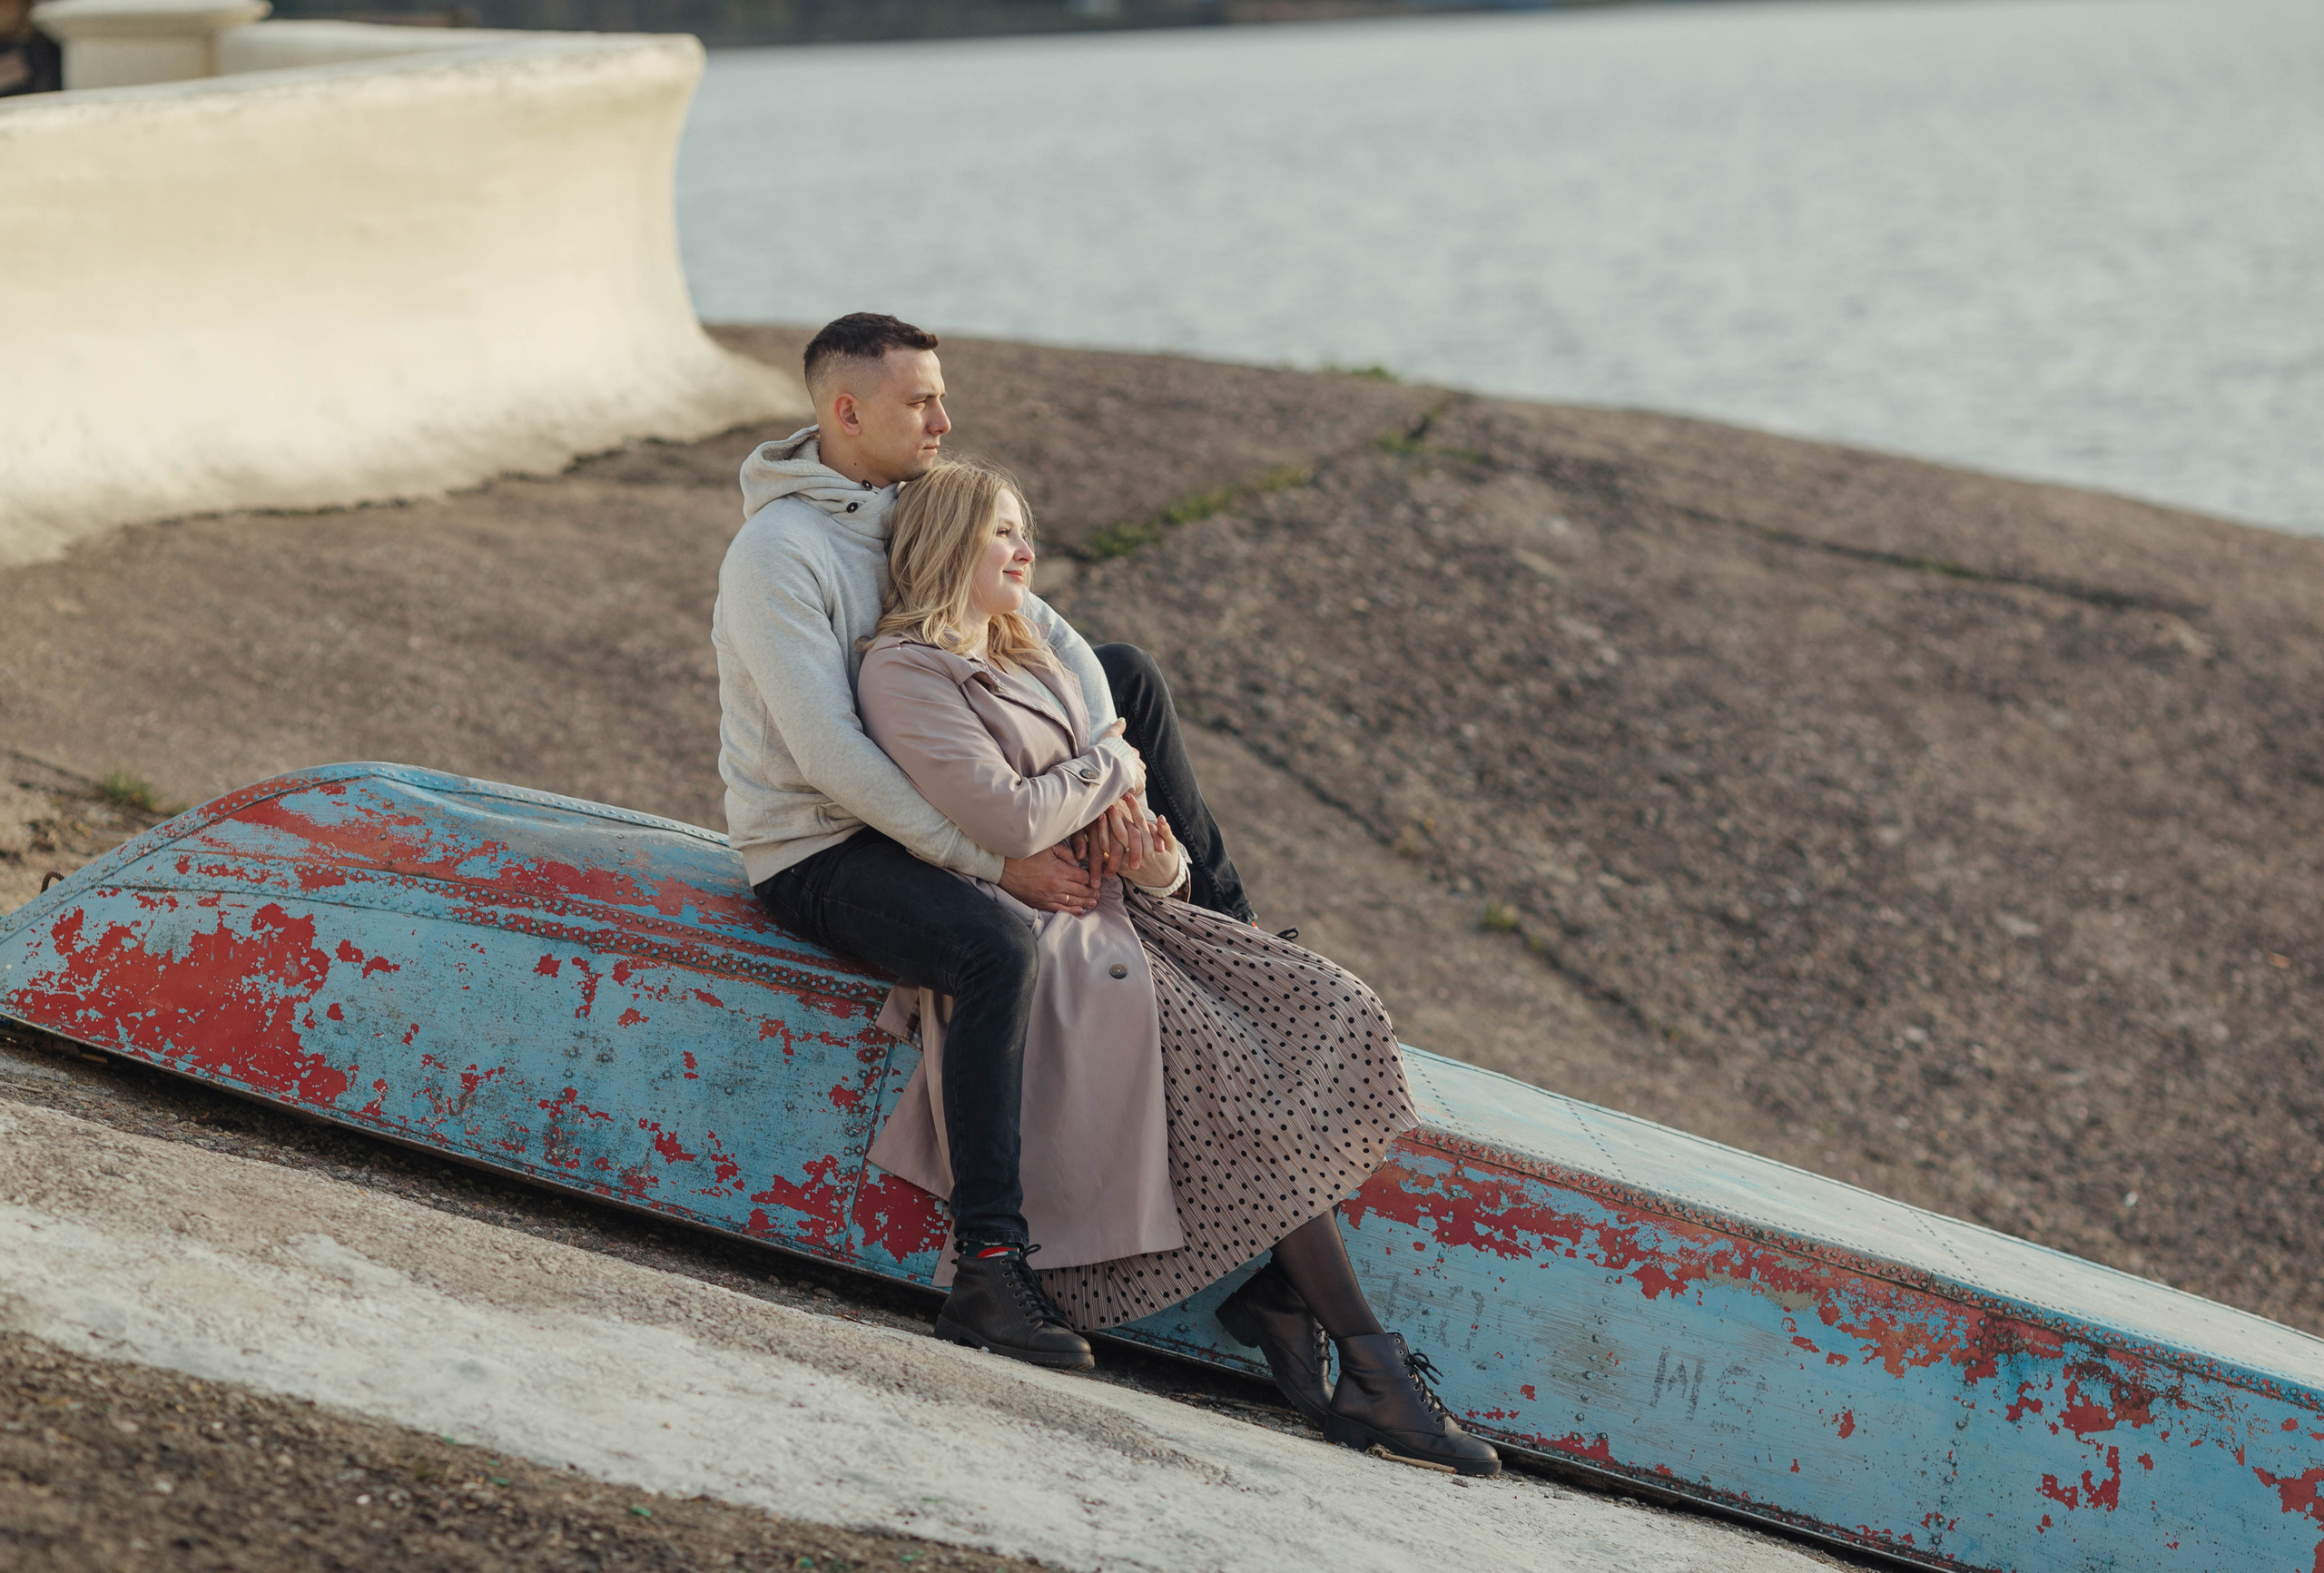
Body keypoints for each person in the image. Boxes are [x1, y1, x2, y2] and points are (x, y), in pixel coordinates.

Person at [850, 459, 1502, 1478]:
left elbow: (1144, 841)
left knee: (1328, 999)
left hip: (1125, 907)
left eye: (1026, 531)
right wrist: (1111, 768)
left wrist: (1149, 848)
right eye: (1003, 534)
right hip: (1039, 928)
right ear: (946, 549)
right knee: (1224, 1056)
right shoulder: (904, 671)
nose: (1026, 552)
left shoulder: (1036, 657)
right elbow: (1008, 818)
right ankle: (1368, 1358)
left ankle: (1285, 1300)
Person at [718, 313, 1254, 1373]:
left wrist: (1107, 755)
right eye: (920, 401)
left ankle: (1228, 931)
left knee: (1129, 672)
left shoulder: (921, 502)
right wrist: (992, 861)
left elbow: (1054, 636)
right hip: (827, 843)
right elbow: (832, 757)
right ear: (846, 410)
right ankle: (990, 1267)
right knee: (992, 948)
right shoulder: (778, 553)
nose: (943, 418)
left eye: (940, 397)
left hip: (947, 794)